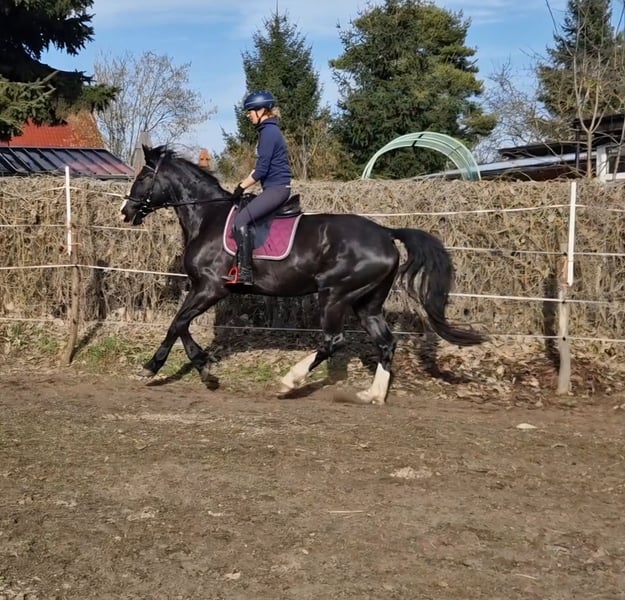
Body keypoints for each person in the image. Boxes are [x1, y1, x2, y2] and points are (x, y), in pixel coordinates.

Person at [223, 90, 293, 286]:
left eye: (250, 111)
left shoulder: (268, 133)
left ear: (262, 110)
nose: (248, 115)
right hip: (274, 187)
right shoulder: (269, 131)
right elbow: (261, 167)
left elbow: (261, 170)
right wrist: (244, 186)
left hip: (277, 189)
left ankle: (245, 273)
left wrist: (240, 187)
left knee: (241, 220)